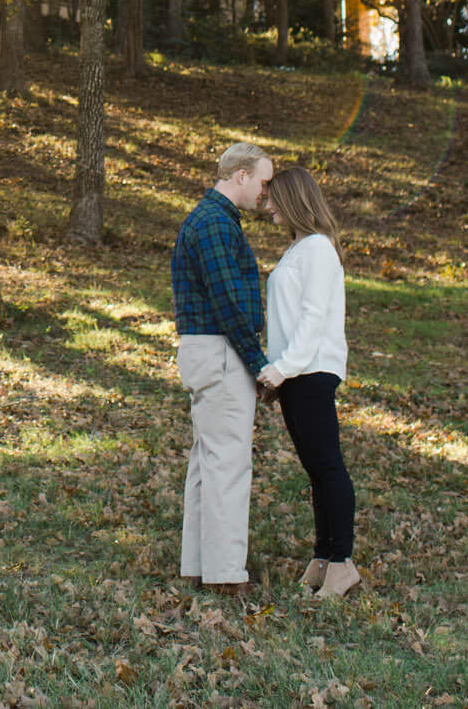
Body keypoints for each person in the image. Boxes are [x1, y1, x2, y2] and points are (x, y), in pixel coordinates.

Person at [170, 140, 274, 595]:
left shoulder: (211, 219)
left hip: (207, 349)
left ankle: (199, 567)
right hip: (220, 351)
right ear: (241, 176)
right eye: (264, 183)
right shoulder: (214, 224)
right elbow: (228, 303)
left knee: (207, 463)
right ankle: (226, 576)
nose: (266, 195)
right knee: (228, 464)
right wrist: (258, 365)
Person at [256, 165, 361, 599]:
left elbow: (315, 318)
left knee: (328, 466)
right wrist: (279, 373)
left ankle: (342, 563)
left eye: (273, 197)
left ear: (294, 199)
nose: (267, 205)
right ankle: (323, 556)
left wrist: (283, 368)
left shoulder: (317, 248)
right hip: (295, 374)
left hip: (312, 370)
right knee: (315, 471)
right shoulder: (297, 248)